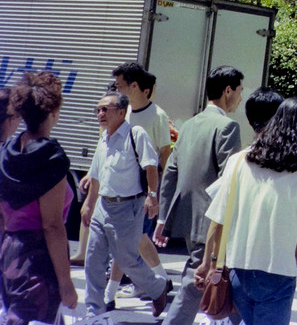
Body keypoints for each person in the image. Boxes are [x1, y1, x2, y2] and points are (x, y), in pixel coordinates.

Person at [202, 97, 297, 325]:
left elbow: (219, 218)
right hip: (277, 271)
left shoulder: (238, 161)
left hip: (237, 267)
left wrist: (209, 260)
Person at [155, 65, 245, 325]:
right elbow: (228, 181)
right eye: (239, 90)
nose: (240, 97)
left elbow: (171, 170)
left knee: (198, 275)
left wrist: (164, 217)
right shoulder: (228, 127)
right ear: (228, 91)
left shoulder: (190, 124)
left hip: (187, 215)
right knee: (196, 279)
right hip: (211, 220)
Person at [80, 91, 172, 317]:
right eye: (98, 109)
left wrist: (152, 195)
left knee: (126, 259)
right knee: (93, 260)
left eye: (105, 109)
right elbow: (96, 175)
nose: (100, 114)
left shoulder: (136, 134)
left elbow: (151, 166)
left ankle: (158, 287)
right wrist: (89, 205)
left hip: (128, 207)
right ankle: (95, 312)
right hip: (103, 206)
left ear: (122, 112)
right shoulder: (104, 138)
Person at [0, 72, 77, 325]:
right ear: (53, 112)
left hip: (9, 250)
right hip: (39, 259)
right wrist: (66, 284)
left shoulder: (7, 152)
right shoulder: (50, 158)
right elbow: (52, 226)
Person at [109, 62, 172, 298]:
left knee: (135, 238)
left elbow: (165, 155)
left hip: (144, 186)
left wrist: (159, 193)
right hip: (119, 184)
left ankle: (158, 282)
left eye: (120, 86)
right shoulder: (120, 113)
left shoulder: (157, 115)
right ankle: (151, 282)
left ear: (134, 86)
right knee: (129, 238)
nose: (116, 90)